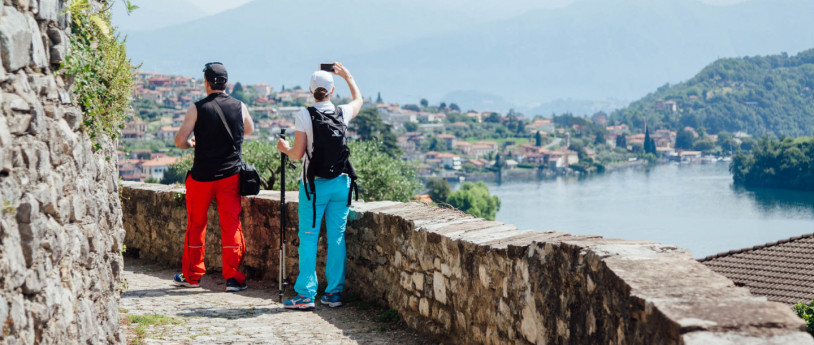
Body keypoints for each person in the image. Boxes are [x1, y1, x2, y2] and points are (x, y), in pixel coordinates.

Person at [276, 62, 362, 310]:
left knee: (309, 237)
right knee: (337, 237)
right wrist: (348, 75)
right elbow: (359, 100)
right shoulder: (342, 112)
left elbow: (298, 153)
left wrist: (283, 148)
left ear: (311, 91)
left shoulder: (304, 116)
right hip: (341, 183)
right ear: (332, 91)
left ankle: (305, 294)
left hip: (314, 187)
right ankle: (333, 293)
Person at [172, 62, 255, 292]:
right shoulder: (240, 106)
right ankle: (233, 278)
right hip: (230, 176)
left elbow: (179, 141)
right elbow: (248, 129)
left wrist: (192, 144)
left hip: (201, 177)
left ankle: (192, 275)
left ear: (206, 83)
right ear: (226, 83)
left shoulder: (197, 109)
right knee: (232, 226)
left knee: (196, 226)